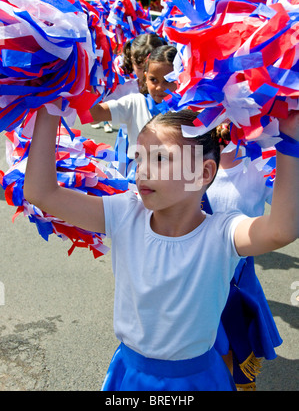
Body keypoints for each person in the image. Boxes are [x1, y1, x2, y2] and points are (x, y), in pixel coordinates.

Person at [23, 104, 299, 391]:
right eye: (139, 158)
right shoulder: (125, 213)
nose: (142, 170)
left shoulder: (222, 232)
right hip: (130, 375)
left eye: (159, 158)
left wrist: (289, 138)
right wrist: (49, 105)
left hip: (197, 380)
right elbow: (40, 193)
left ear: (203, 172)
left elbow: (281, 230)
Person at [205, 122, 282, 390]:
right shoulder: (186, 161)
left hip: (237, 281)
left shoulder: (263, 164)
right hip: (192, 278)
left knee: (235, 357)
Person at [90, 45, 178, 179]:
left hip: (173, 183)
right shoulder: (135, 103)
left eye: (168, 81)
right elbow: (94, 114)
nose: (160, 87)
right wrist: (89, 74)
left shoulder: (186, 111)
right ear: (145, 77)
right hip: (137, 183)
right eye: (153, 80)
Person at [91, 33, 167, 131]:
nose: (145, 73)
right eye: (139, 68)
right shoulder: (127, 90)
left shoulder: (175, 90)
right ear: (132, 62)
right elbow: (94, 118)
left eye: (150, 68)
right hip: (132, 144)